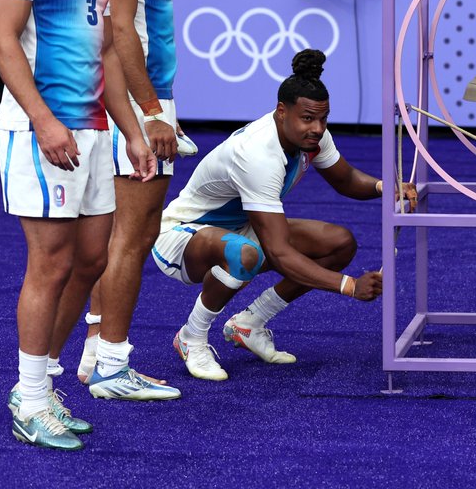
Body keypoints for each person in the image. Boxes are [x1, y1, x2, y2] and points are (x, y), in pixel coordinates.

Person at [0, 0, 154, 449]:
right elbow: (3, 42)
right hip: (42, 130)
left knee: (90, 260)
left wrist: (133, 132)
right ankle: (29, 398)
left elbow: (106, 50)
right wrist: (43, 120)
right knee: (51, 262)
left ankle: (43, 383)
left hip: (94, 131)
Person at [154, 50, 408, 380]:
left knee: (339, 244)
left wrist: (385, 187)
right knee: (245, 253)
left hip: (241, 228)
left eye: (323, 119)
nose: (317, 128)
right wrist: (349, 286)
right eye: (307, 119)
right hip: (182, 237)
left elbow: (345, 180)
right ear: (281, 112)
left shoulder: (311, 136)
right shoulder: (258, 155)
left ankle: (249, 323)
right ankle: (191, 336)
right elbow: (279, 252)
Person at [79, 0, 207, 401]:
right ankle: (111, 365)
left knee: (119, 236)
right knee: (133, 236)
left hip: (136, 96)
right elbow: (119, 27)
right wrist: (153, 113)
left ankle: (93, 352)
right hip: (139, 100)